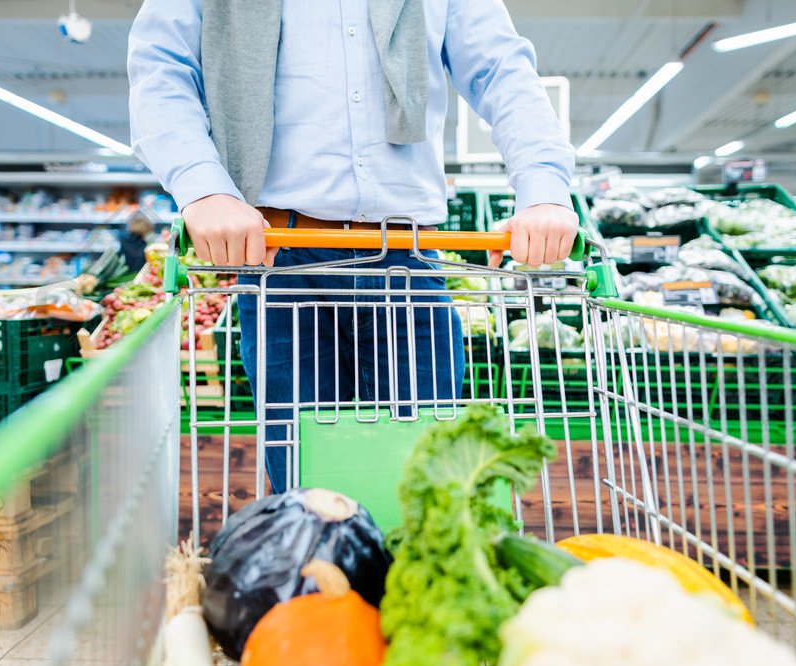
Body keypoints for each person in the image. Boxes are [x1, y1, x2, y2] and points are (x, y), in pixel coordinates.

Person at [128, 0, 578, 491]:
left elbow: (500, 69)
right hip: (281, 258)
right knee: (308, 497)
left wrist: (545, 191)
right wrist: (204, 187)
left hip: (408, 258)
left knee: (425, 493)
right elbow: (162, 64)